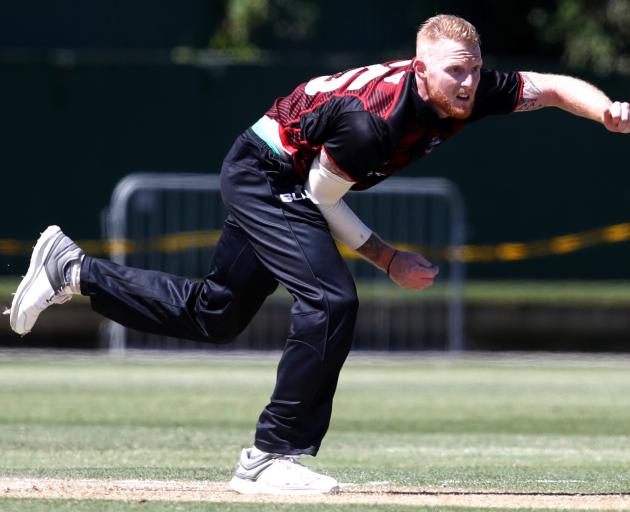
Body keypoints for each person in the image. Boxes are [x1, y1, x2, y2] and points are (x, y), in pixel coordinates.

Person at [6, 14, 630, 495]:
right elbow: (321, 202)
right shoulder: (371, 123)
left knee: (214, 314)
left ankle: (73, 268)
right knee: (331, 298)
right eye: (452, 73)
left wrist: (602, 109)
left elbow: (547, 87)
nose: (466, 84)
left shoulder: (466, 88)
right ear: (419, 69)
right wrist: (387, 258)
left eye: (472, 70)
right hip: (269, 175)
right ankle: (269, 457)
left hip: (288, 173)